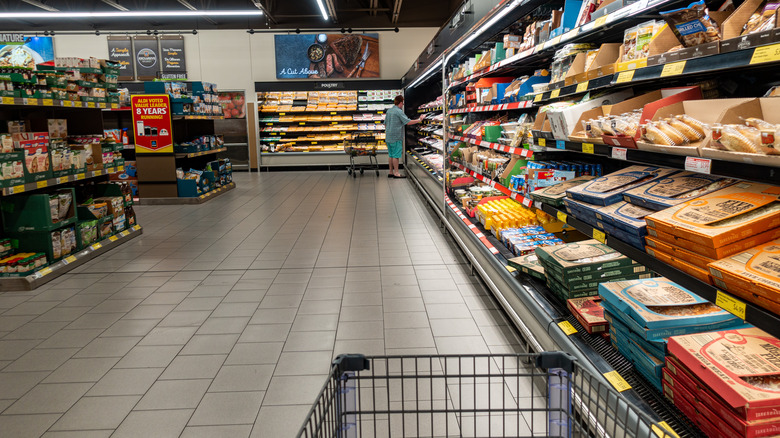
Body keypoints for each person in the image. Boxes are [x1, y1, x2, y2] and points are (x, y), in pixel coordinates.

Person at [384, 95, 421, 178]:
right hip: (396, 137)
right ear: (400, 103)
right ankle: (396, 173)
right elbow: (407, 122)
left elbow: (385, 124)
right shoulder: (399, 111)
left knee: (391, 155)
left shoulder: (389, 111)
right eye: (403, 103)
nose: (403, 105)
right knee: (396, 156)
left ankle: (391, 172)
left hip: (388, 137)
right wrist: (419, 120)